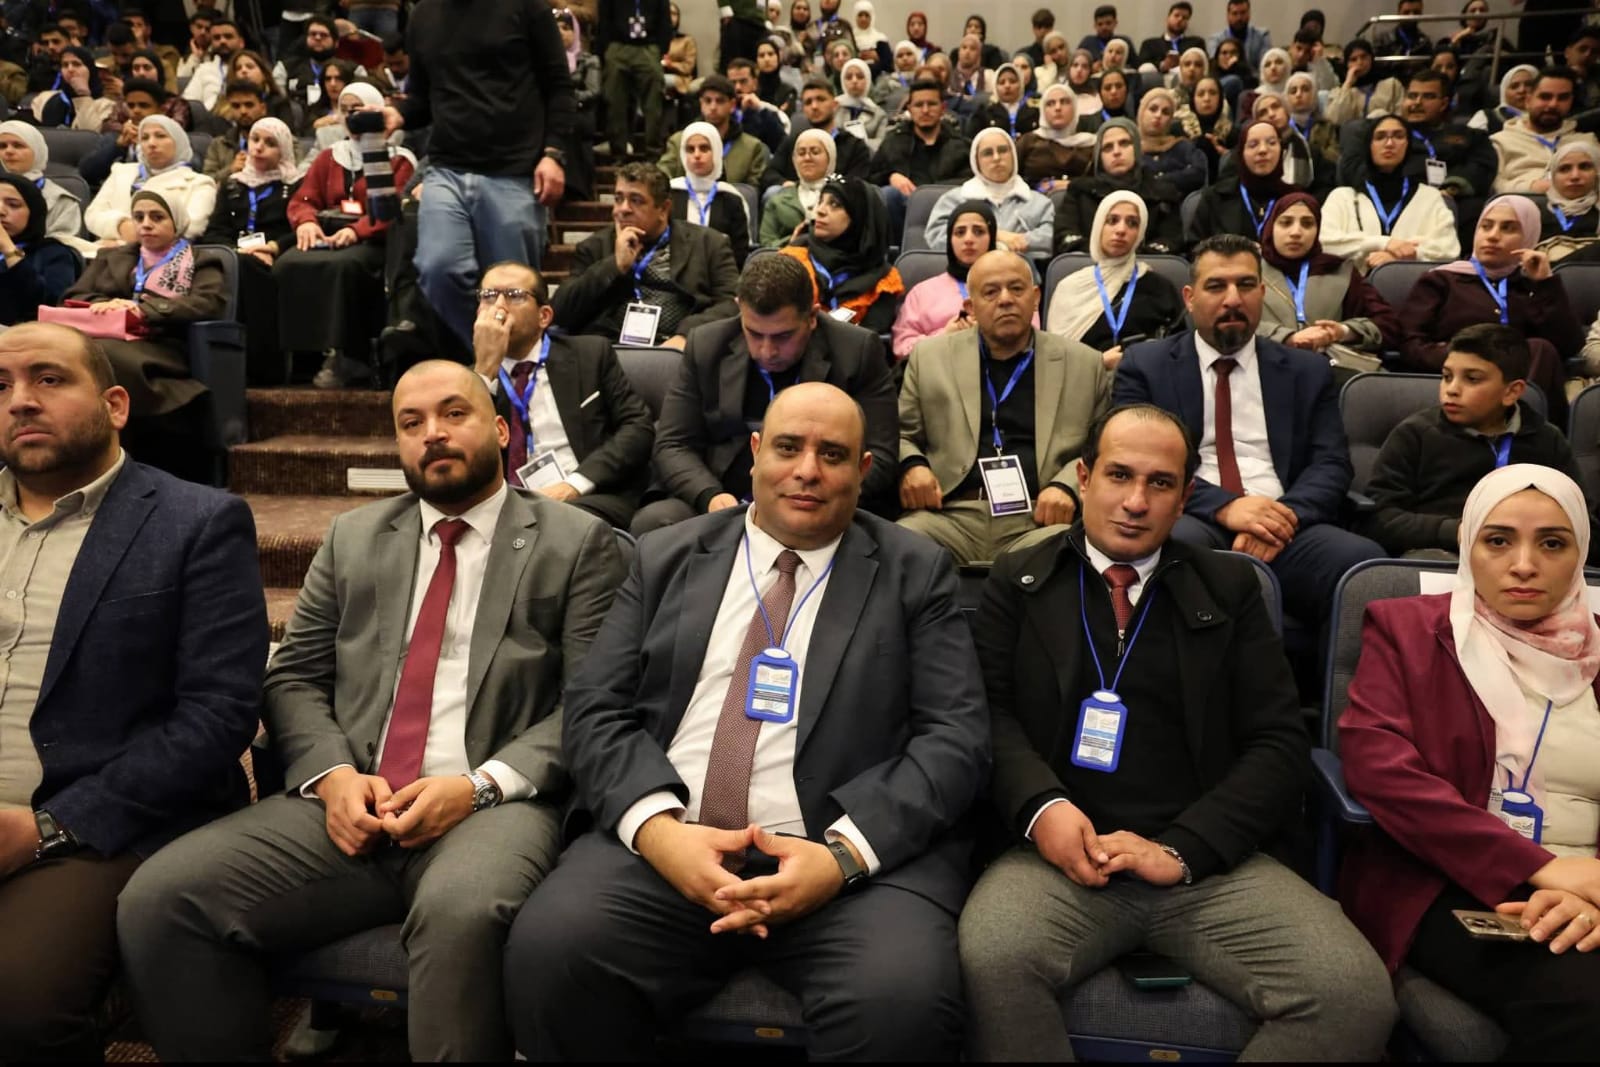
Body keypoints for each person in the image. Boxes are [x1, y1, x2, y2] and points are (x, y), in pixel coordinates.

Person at [118, 358, 625, 1061]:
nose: (432, 433)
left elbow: (591, 704)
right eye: (411, 423)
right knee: (162, 899)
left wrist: (477, 787)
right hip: (352, 796)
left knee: (461, 911)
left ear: (502, 430)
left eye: (454, 413)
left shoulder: (578, 542)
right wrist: (332, 776)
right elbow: (294, 676)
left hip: (493, 804)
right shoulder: (353, 537)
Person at [505, 375, 989, 1060]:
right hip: (669, 849)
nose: (807, 470)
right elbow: (595, 708)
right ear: (756, 452)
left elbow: (955, 739)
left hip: (843, 867)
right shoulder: (666, 555)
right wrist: (661, 835)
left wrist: (841, 857)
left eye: (832, 454)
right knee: (553, 950)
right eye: (788, 447)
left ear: (864, 469)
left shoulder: (917, 571)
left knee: (902, 1000)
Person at [960, 401, 1396, 1061]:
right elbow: (989, 717)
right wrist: (1043, 809)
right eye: (1119, 475)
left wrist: (1183, 849)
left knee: (1353, 996)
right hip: (1058, 859)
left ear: (1186, 497)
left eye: (1160, 483)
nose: (1136, 501)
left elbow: (1279, 743)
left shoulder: (1230, 587)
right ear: (1084, 478)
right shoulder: (1017, 579)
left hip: (1207, 864)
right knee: (993, 958)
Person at [0, 321, 266, 1060]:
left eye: (49, 378)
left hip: (96, 823)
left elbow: (217, 719)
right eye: (1, 385)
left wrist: (47, 828)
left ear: (115, 405)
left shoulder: (196, 521)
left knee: (14, 1006)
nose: (20, 400)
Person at [1339, 464, 1600, 1059]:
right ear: (1467, 544)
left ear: (1580, 552)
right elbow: (1382, 771)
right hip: (1449, 882)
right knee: (1584, 1004)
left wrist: (1591, 888)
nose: (1524, 564)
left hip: (1592, 884)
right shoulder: (1407, 630)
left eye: (1552, 544)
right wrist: (1545, 870)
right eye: (1499, 540)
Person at [1113, 233, 1385, 625]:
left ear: (1261, 292)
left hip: (1286, 520)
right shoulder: (1146, 365)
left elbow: (1331, 463)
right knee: (1169, 553)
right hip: (1192, 515)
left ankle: (1320, 671)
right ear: (1190, 297)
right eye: (1216, 286)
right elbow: (1138, 460)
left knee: (1363, 566)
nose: (1233, 299)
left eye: (1245, 285)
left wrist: (1279, 519)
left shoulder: (1306, 371)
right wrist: (1226, 507)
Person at [635, 253, 897, 534]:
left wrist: (803, 501)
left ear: (812, 317)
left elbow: (881, 454)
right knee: (655, 523)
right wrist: (709, 495)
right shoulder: (706, 344)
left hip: (816, 497)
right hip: (721, 493)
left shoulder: (856, 351)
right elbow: (673, 443)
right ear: (740, 309)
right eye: (754, 334)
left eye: (783, 337)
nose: (767, 351)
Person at [380, 3, 574, 359]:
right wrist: (397, 113)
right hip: (446, 168)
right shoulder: (423, 14)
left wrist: (554, 152)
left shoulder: (527, 6)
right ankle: (487, 359)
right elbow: (422, 98)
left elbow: (559, 85)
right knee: (438, 269)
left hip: (513, 170)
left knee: (514, 291)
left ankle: (513, 370)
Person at [898, 249, 1110, 564]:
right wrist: (912, 465)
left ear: (1035, 297)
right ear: (970, 307)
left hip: (1039, 520)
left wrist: (1067, 486)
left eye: (1017, 288)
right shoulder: (930, 357)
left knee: (1070, 551)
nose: (1006, 299)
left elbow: (1104, 447)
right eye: (991, 292)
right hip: (948, 515)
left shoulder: (1084, 364)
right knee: (899, 545)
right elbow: (902, 434)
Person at [1362, 326, 1582, 556]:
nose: (1452, 390)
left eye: (1472, 379)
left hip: (1526, 556)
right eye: (1447, 377)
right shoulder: (1416, 434)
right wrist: (1455, 531)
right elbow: (1379, 520)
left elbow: (1583, 522)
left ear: (1512, 392)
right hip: (1442, 553)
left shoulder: (1547, 440)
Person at [471, 261, 655, 527]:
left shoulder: (590, 355)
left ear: (544, 316)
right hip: (504, 507)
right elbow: (467, 450)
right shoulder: (467, 383)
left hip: (588, 496)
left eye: (514, 295)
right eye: (488, 296)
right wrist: (485, 370)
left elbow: (637, 428)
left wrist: (574, 485)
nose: (498, 307)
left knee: (553, 524)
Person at [275, 83, 414, 390]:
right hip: (329, 234)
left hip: (375, 240)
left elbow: (394, 210)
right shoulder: (329, 157)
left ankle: (347, 355)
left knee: (345, 267)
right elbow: (304, 199)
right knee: (288, 263)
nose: (352, 117)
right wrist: (306, 223)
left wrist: (356, 230)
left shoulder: (398, 159)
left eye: (359, 109)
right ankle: (301, 357)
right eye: (346, 110)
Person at [1399, 197, 1582, 426]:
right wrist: (1466, 360)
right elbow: (1409, 343)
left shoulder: (1531, 284)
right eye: (1486, 226)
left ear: (1528, 237)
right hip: (1456, 382)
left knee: (1541, 348)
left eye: (1508, 228)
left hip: (1515, 384)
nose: (1493, 236)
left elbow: (1567, 346)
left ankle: (1520, 433)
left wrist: (1545, 284)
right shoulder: (1442, 280)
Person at [63, 189, 226, 425]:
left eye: (157, 217)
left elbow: (208, 303)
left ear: (177, 221)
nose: (146, 224)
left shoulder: (200, 260)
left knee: (102, 352)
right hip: (108, 332)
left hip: (162, 342)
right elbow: (73, 295)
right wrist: (106, 305)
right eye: (138, 217)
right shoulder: (110, 256)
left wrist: (143, 310)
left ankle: (107, 424)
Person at [552, 163, 739, 349]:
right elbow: (560, 311)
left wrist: (687, 335)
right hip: (609, 350)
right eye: (618, 199)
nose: (623, 209)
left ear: (663, 209)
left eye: (636, 200)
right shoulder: (594, 247)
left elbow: (731, 304)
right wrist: (614, 265)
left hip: (679, 350)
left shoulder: (708, 244)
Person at [198, 116, 300, 386]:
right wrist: (236, 252)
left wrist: (274, 248)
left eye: (270, 143)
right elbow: (215, 231)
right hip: (237, 255)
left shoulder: (296, 185)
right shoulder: (233, 184)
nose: (259, 147)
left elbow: (300, 228)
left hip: (276, 255)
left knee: (251, 272)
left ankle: (262, 369)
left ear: (284, 149)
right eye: (255, 140)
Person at [1047, 192, 1186, 370]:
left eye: (1132, 223)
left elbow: (1179, 352)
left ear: (1140, 233)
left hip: (1145, 379)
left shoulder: (1160, 288)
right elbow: (1055, 359)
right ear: (1099, 226)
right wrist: (1098, 364)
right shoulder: (1070, 288)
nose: (1121, 230)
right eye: (1112, 220)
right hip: (1083, 380)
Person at [1257, 194, 1402, 360]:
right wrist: (1287, 337)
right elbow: (1233, 326)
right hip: (1264, 365)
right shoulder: (1250, 270)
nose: (1296, 232)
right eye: (1286, 222)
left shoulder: (1339, 270)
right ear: (1270, 227)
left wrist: (1342, 332)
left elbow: (1388, 324)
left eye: (1307, 224)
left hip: (1329, 367)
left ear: (1317, 230)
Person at [893, 199, 1037, 361]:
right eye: (960, 232)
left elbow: (1034, 339)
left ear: (991, 237)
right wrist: (945, 336)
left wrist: (991, 333)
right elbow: (901, 348)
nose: (968, 239)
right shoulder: (922, 292)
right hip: (938, 368)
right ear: (950, 239)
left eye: (978, 231)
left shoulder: (1013, 287)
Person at [1322, 116, 1462, 271]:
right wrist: (1383, 243)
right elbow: (1325, 243)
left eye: (1398, 136)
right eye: (1380, 137)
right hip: (1353, 284)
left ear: (1408, 144)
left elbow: (1450, 249)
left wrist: (1404, 257)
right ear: (1369, 145)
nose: (1389, 143)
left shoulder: (1430, 197)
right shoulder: (1342, 198)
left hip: (1413, 283)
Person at [778, 175, 904, 334]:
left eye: (834, 204)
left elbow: (870, 340)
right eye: (820, 202)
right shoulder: (791, 261)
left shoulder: (884, 281)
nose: (820, 211)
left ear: (858, 217)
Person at [84, 115, 216, 252]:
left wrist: (127, 239)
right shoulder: (121, 172)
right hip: (104, 252)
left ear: (178, 142)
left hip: (164, 257)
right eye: (145, 138)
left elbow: (190, 229)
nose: (151, 143)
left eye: (160, 136)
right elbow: (92, 215)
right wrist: (121, 225)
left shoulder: (199, 183)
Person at [1053, 119, 1185, 256]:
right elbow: (1065, 236)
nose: (1116, 152)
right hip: (1089, 262)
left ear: (1137, 148)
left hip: (1146, 264)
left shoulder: (1163, 193)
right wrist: (1103, 254)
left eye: (1124, 143)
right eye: (1107, 147)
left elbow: (1171, 240)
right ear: (1099, 156)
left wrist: (1128, 258)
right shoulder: (1080, 191)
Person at [926, 129, 1053, 258]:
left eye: (1002, 150)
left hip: (1023, 268)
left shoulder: (1039, 202)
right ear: (976, 161)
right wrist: (995, 235)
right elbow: (937, 238)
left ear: (1013, 155)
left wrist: (1022, 241)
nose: (996, 158)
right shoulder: (954, 200)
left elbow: (1051, 238)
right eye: (987, 153)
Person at [868, 78, 972, 237]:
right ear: (909, 109)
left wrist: (928, 193)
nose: (925, 110)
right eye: (918, 105)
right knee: (889, 194)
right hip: (903, 211)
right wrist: (890, 176)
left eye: (931, 104)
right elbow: (870, 179)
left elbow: (970, 181)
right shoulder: (893, 141)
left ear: (943, 108)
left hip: (948, 207)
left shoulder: (961, 144)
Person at [1186, 119, 1294, 247]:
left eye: (1271, 143)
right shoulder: (1214, 198)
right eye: (1253, 145)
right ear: (1241, 154)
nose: (1263, 150)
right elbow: (1195, 249)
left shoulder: (1295, 198)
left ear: (1282, 150)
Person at [1492, 67, 1598, 195]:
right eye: (1545, 97)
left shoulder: (1587, 141)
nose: (1553, 104)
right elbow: (1495, 186)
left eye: (1562, 98)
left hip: (1581, 202)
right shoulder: (1500, 141)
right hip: (1522, 201)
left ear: (1570, 102)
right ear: (1528, 100)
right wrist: (1532, 187)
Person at [658, 74, 771, 188]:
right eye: (708, 101)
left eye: (720, 101)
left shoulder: (751, 147)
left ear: (732, 105)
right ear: (701, 103)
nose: (713, 107)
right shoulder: (679, 141)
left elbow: (752, 190)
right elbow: (662, 176)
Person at [669, 122, 754, 268]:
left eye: (704, 148)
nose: (696, 155)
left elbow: (740, 253)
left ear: (716, 151)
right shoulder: (671, 193)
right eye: (690, 149)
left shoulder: (732, 198)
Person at [0, 174, 82, 325]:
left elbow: (48, 307)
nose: (1, 211)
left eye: (13, 205)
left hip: (23, 332)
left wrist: (8, 249)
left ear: (33, 212)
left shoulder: (54, 253)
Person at [0, 121, 84, 248]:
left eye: (18, 146)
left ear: (37, 150)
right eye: (2, 146)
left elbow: (62, 250)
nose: (9, 151)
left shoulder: (61, 201)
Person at [761, 128, 834, 248]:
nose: (807, 158)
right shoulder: (777, 201)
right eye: (801, 153)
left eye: (815, 152)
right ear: (794, 160)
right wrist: (794, 241)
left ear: (830, 157)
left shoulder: (844, 197)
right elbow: (766, 244)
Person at [1016, 84, 1097, 191]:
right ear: (1042, 110)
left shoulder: (1091, 143)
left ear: (1074, 107)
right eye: (1050, 104)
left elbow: (1103, 182)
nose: (1058, 108)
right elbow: (1011, 179)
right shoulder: (1027, 141)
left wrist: (1069, 185)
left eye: (1064, 102)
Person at [1536, 139, 1600, 261]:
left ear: (1597, 172)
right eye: (1564, 169)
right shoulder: (1535, 212)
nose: (1575, 176)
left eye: (1584, 167)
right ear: (1552, 176)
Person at [1136, 87, 1207, 195]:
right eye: (1153, 109)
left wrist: (1160, 179)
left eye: (1165, 112)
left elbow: (1199, 172)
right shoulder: (1129, 146)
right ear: (1141, 112)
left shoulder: (1182, 146)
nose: (1158, 115)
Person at [31, 45, 118, 132]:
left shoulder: (106, 105)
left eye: (77, 64)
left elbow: (89, 135)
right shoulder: (45, 98)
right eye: (65, 65)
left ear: (90, 70)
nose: (70, 69)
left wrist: (83, 96)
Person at [200, 79, 266, 183]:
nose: (243, 111)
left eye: (249, 105)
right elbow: (206, 182)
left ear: (263, 108)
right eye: (236, 106)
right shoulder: (218, 145)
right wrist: (230, 170)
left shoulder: (281, 141)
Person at [1325, 38, 1405, 123]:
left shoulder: (1392, 85)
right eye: (1353, 59)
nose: (1360, 62)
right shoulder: (1339, 92)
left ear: (1371, 58)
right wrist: (1348, 84)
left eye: (1364, 57)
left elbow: (1401, 115)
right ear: (1347, 64)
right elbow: (1334, 120)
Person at [181, 16, 245, 112]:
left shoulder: (251, 67)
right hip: (209, 117)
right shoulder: (204, 69)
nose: (222, 41)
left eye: (228, 36)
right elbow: (188, 104)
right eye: (217, 38)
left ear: (241, 42)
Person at [965, 63, 1036, 141]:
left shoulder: (1033, 109)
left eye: (1012, 81)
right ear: (995, 87)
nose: (1007, 86)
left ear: (1021, 85)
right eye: (1002, 82)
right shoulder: (985, 111)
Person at [1469, 63, 1537, 134]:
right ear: (1504, 92)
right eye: (1514, 86)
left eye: (1529, 85)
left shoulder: (1543, 119)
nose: (1522, 90)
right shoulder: (1486, 117)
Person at [1138, 2, 1204, 73]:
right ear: (1167, 18)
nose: (1180, 19)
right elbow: (1140, 65)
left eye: (1184, 18)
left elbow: (1203, 64)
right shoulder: (1150, 44)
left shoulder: (1196, 43)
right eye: (1176, 15)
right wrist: (1163, 65)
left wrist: (1184, 61)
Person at [835, 58, 887, 143]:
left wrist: (857, 146)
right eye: (849, 77)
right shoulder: (834, 109)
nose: (854, 81)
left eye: (860, 77)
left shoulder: (879, 114)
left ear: (868, 80)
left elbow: (881, 144)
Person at [1208, 0, 1271, 70]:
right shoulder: (1216, 40)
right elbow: (1216, 66)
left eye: (1243, 13)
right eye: (1235, 13)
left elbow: (1265, 65)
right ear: (1228, 16)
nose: (1239, 18)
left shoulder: (1262, 36)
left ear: (1249, 14)